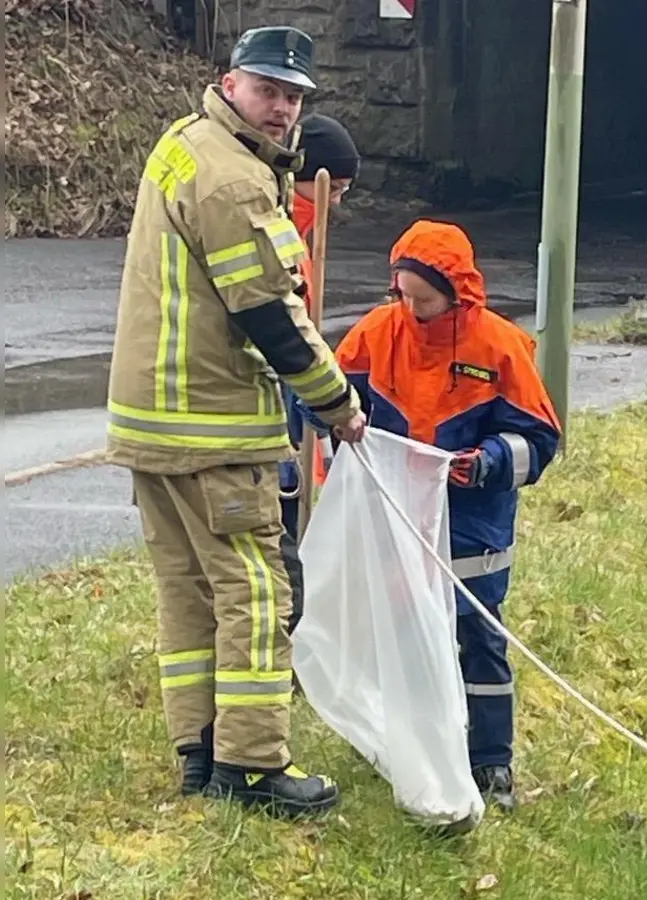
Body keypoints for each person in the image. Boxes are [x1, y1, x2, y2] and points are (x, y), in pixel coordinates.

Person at [105, 24, 367, 820]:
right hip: (213, 424)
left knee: (186, 592)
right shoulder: (232, 181)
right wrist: (338, 403)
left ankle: (200, 753)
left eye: (293, 96)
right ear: (232, 82)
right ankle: (252, 767)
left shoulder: (183, 144)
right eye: (269, 90)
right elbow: (269, 315)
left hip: (151, 420)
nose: (283, 108)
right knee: (256, 594)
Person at [321, 218, 562, 811]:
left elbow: (541, 440)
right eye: (401, 294)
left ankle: (491, 764)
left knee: (478, 638)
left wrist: (487, 463)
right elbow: (322, 396)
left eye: (422, 299)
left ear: (457, 293)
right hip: (395, 519)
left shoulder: (500, 348)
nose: (411, 308)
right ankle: (413, 754)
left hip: (472, 526)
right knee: (402, 636)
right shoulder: (378, 334)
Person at [276, 112, 361, 636]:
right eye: (339, 188)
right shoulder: (282, 229)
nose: (339, 202)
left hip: (289, 405)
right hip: (271, 412)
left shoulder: (300, 228)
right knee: (282, 532)